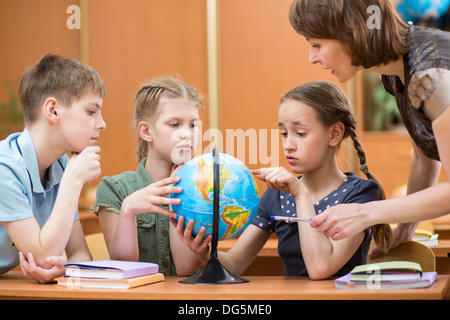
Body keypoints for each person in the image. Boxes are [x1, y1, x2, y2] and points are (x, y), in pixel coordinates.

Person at [177, 81, 392, 279]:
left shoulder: (361, 193)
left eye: (300, 133)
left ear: (334, 134)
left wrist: (301, 194)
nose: (288, 144)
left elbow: (320, 268)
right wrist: (207, 254)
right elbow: (234, 264)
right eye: (283, 133)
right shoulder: (276, 196)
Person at [288, 0, 450, 254]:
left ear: (351, 32)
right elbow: (424, 154)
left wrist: (367, 212)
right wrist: (405, 230)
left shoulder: (432, 75)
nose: (312, 58)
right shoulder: (395, 71)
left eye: (316, 44)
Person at [0, 54, 106, 283]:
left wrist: (64, 268)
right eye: (91, 111)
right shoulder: (4, 168)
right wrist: (73, 180)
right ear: (53, 110)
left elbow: (80, 254)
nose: (102, 124)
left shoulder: (60, 165)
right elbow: (42, 255)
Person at [92, 76, 203, 276]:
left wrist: (177, 196)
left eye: (193, 125)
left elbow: (185, 268)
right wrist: (127, 211)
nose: (187, 134)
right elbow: (124, 267)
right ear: (146, 131)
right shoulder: (114, 189)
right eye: (175, 124)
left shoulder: (203, 188)